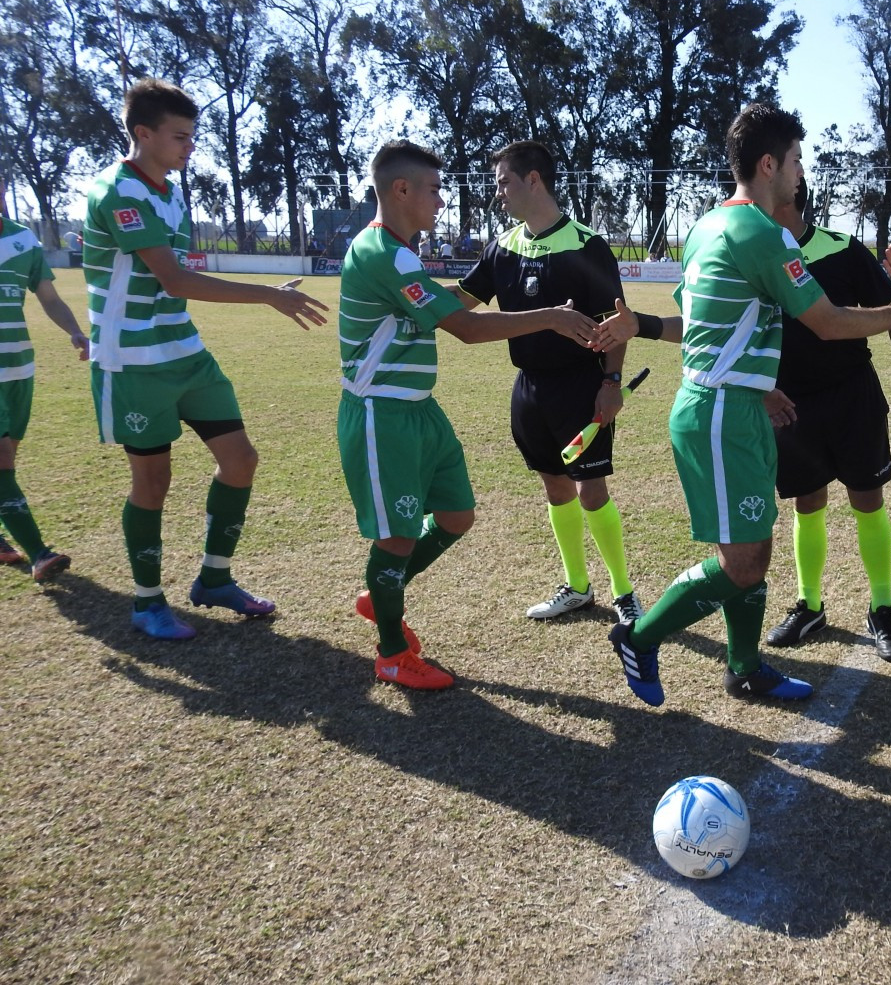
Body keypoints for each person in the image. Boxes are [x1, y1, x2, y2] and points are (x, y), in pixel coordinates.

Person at [591, 101, 891, 707]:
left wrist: (757, 383)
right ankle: (639, 635)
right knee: (744, 560)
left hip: (741, 405)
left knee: (753, 544)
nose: (801, 172)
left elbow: (705, 327)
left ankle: (745, 667)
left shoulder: (706, 226)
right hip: (719, 414)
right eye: (796, 160)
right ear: (768, 165)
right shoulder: (763, 233)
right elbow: (827, 322)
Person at [339, 141, 597, 689]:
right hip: (381, 413)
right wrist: (550, 316)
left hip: (419, 410)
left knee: (456, 516)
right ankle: (391, 652)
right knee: (396, 539)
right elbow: (468, 328)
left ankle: (382, 594)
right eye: (434, 190)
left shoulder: (401, 253)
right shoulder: (383, 253)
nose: (441, 201)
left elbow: (451, 307)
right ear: (401, 190)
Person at [83, 78, 329, 640]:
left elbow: (175, 283)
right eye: (179, 136)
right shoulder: (117, 191)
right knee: (153, 481)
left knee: (240, 460)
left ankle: (214, 579)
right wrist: (268, 295)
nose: (189, 147)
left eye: (192, 136)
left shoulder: (170, 192)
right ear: (143, 133)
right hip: (132, 360)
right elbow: (174, 278)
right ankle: (147, 602)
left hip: (185, 351)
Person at [455, 141, 641, 628]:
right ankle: (577, 587)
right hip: (528, 389)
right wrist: (403, 293)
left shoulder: (586, 246)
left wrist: (612, 383)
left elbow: (616, 323)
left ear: (533, 180)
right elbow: (460, 303)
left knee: (591, 491)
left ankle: (624, 592)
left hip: (581, 386)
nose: (498, 192)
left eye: (504, 182)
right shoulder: (502, 247)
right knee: (555, 488)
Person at [762, 176, 891, 663]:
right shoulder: (758, 253)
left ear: (790, 198)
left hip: (852, 396)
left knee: (867, 499)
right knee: (806, 502)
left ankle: (882, 608)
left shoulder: (842, 249)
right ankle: (809, 605)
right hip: (790, 403)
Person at [0, 179, 88, 578]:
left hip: (19, 367)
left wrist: (75, 331)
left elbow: (49, 298)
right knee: (1, 460)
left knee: (8, 459)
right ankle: (38, 553)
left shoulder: (22, 240)